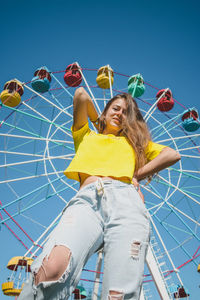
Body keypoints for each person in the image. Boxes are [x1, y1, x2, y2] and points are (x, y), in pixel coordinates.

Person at [19, 87, 180, 300]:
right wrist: (99, 121)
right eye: (115, 109)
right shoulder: (85, 135)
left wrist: (136, 174)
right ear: (104, 112)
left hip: (126, 201)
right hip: (87, 202)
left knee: (119, 294)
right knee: (51, 269)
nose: (120, 114)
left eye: (126, 113)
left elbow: (172, 154)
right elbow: (81, 95)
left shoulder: (133, 145)